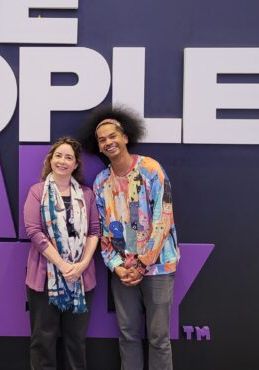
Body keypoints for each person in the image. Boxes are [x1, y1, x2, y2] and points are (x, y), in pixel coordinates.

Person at [80, 106, 180, 370]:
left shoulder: (150, 169)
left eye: (113, 136)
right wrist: (116, 266)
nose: (108, 142)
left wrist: (142, 263)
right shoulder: (101, 183)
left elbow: (163, 217)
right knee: (128, 336)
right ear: (99, 147)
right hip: (123, 272)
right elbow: (101, 231)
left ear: (125, 137)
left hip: (158, 268)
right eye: (102, 139)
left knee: (159, 338)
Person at [24, 136, 101, 370]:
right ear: (51, 160)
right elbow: (34, 231)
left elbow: (94, 231)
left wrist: (82, 264)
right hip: (44, 279)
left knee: (76, 342)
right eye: (58, 155)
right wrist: (63, 265)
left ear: (76, 164)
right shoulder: (37, 192)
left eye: (69, 157)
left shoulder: (86, 195)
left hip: (80, 278)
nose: (63, 161)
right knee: (43, 340)